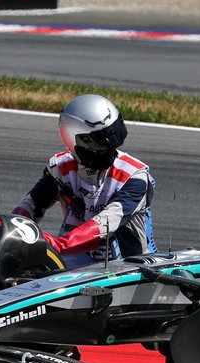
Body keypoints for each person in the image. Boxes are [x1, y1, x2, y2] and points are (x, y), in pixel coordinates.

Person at [12, 94, 155, 267]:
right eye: (100, 145)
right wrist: (13, 228)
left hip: (130, 267)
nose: (109, 150)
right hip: (73, 259)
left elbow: (107, 223)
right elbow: (31, 204)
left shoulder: (135, 177)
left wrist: (59, 244)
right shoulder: (60, 168)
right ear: (73, 139)